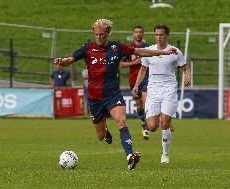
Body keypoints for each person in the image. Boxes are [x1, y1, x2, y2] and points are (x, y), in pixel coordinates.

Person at [54, 19, 177, 170]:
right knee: (100, 136)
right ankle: (105, 131)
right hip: (95, 98)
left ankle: (130, 157)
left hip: (113, 95)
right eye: (97, 34)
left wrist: (163, 52)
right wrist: (62, 61)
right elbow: (70, 59)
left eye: (102, 34)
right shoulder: (87, 48)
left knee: (121, 121)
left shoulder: (116, 47)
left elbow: (140, 52)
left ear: (108, 33)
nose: (99, 37)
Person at [132, 24, 191, 164]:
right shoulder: (149, 51)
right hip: (153, 89)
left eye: (162, 35)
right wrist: (136, 85)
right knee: (152, 127)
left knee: (164, 122)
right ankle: (167, 120)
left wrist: (187, 77)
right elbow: (142, 70)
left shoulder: (175, 51)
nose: (159, 37)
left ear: (167, 36)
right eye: (156, 35)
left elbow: (185, 68)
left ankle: (165, 154)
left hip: (169, 89)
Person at [119, 26, 150, 140]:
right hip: (133, 80)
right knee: (139, 105)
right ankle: (143, 121)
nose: (138, 34)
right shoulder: (129, 48)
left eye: (140, 32)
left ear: (143, 33)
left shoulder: (147, 47)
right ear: (133, 34)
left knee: (147, 103)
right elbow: (121, 64)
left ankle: (146, 127)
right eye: (136, 32)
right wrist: (135, 62)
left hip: (146, 79)